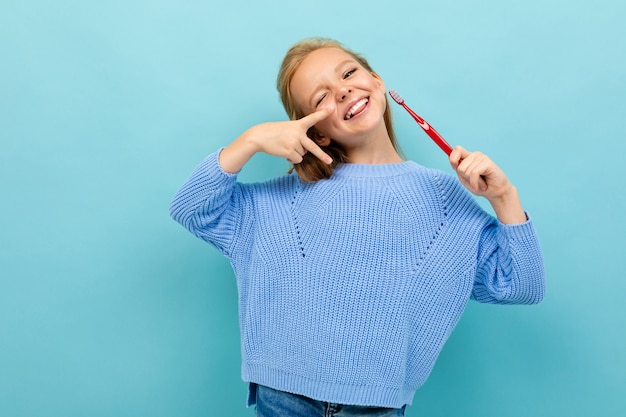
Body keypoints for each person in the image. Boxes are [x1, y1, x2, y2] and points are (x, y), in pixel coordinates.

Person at [169, 37, 545, 417]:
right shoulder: (276, 203)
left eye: (348, 73)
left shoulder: (446, 200)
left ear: (377, 82)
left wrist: (504, 198)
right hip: (282, 399)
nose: (343, 90)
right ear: (315, 132)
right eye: (321, 98)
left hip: (377, 408)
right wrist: (250, 140)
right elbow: (192, 208)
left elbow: (519, 286)